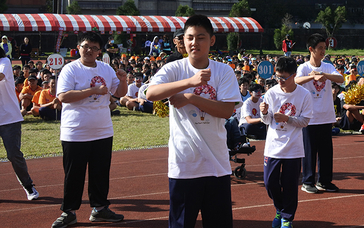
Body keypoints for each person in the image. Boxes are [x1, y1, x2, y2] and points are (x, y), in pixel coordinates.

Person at [146, 14, 240, 228]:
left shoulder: (223, 71)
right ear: (183, 40)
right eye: (189, 38)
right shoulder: (174, 69)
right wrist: (189, 82)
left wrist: (190, 97)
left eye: (201, 37)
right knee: (181, 224)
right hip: (184, 164)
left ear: (212, 40)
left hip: (217, 164)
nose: (194, 43)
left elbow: (226, 111)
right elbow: (151, 93)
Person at [52, 31, 128, 228]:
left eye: (94, 48)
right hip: (75, 131)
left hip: (102, 130)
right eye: (86, 46)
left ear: (99, 51)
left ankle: (100, 208)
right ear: (78, 47)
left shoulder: (106, 69)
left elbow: (119, 93)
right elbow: (64, 97)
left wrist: (123, 79)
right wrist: (93, 91)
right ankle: (69, 212)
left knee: (100, 173)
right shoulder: (70, 69)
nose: (89, 50)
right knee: (73, 174)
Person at [261, 57, 313, 228]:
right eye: (278, 77)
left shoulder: (304, 95)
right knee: (270, 183)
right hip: (273, 146)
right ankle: (280, 208)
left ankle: (286, 218)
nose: (280, 81)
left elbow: (305, 121)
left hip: (293, 147)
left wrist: (287, 118)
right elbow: (267, 121)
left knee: (290, 184)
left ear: (294, 75)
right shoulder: (271, 93)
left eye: (284, 77)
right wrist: (264, 113)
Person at [295, 33, 344, 194]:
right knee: (309, 151)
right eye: (320, 48)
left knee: (326, 152)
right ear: (311, 49)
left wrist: (324, 76)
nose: (323, 51)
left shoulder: (327, 66)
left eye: (324, 48)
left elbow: (340, 79)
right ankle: (308, 181)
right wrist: (312, 77)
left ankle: (325, 181)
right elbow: (296, 81)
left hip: (325, 116)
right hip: (309, 117)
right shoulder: (304, 67)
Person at [0, 46, 39, 201]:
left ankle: (28, 186)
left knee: (14, 155)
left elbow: (1, 76)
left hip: (9, 118)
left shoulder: (4, 62)